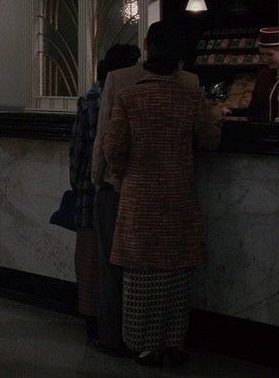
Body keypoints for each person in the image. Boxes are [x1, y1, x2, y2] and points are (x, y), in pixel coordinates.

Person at [103, 28, 222, 368]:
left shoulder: (128, 97)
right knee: (176, 273)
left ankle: (143, 346)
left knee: (141, 274)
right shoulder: (190, 97)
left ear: (148, 55)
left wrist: (123, 175)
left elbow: (113, 148)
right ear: (179, 63)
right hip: (179, 195)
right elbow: (211, 139)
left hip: (139, 196)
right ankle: (173, 342)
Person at [69, 43, 139, 348]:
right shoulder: (130, 96)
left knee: (89, 260)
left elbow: (78, 149)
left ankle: (91, 321)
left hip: (89, 190)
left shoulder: (89, 99)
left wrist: (77, 184)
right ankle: (119, 325)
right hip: (119, 188)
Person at [247, 26, 279, 122]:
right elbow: (254, 110)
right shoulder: (263, 75)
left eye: (270, 54)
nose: (265, 59)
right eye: (262, 54)